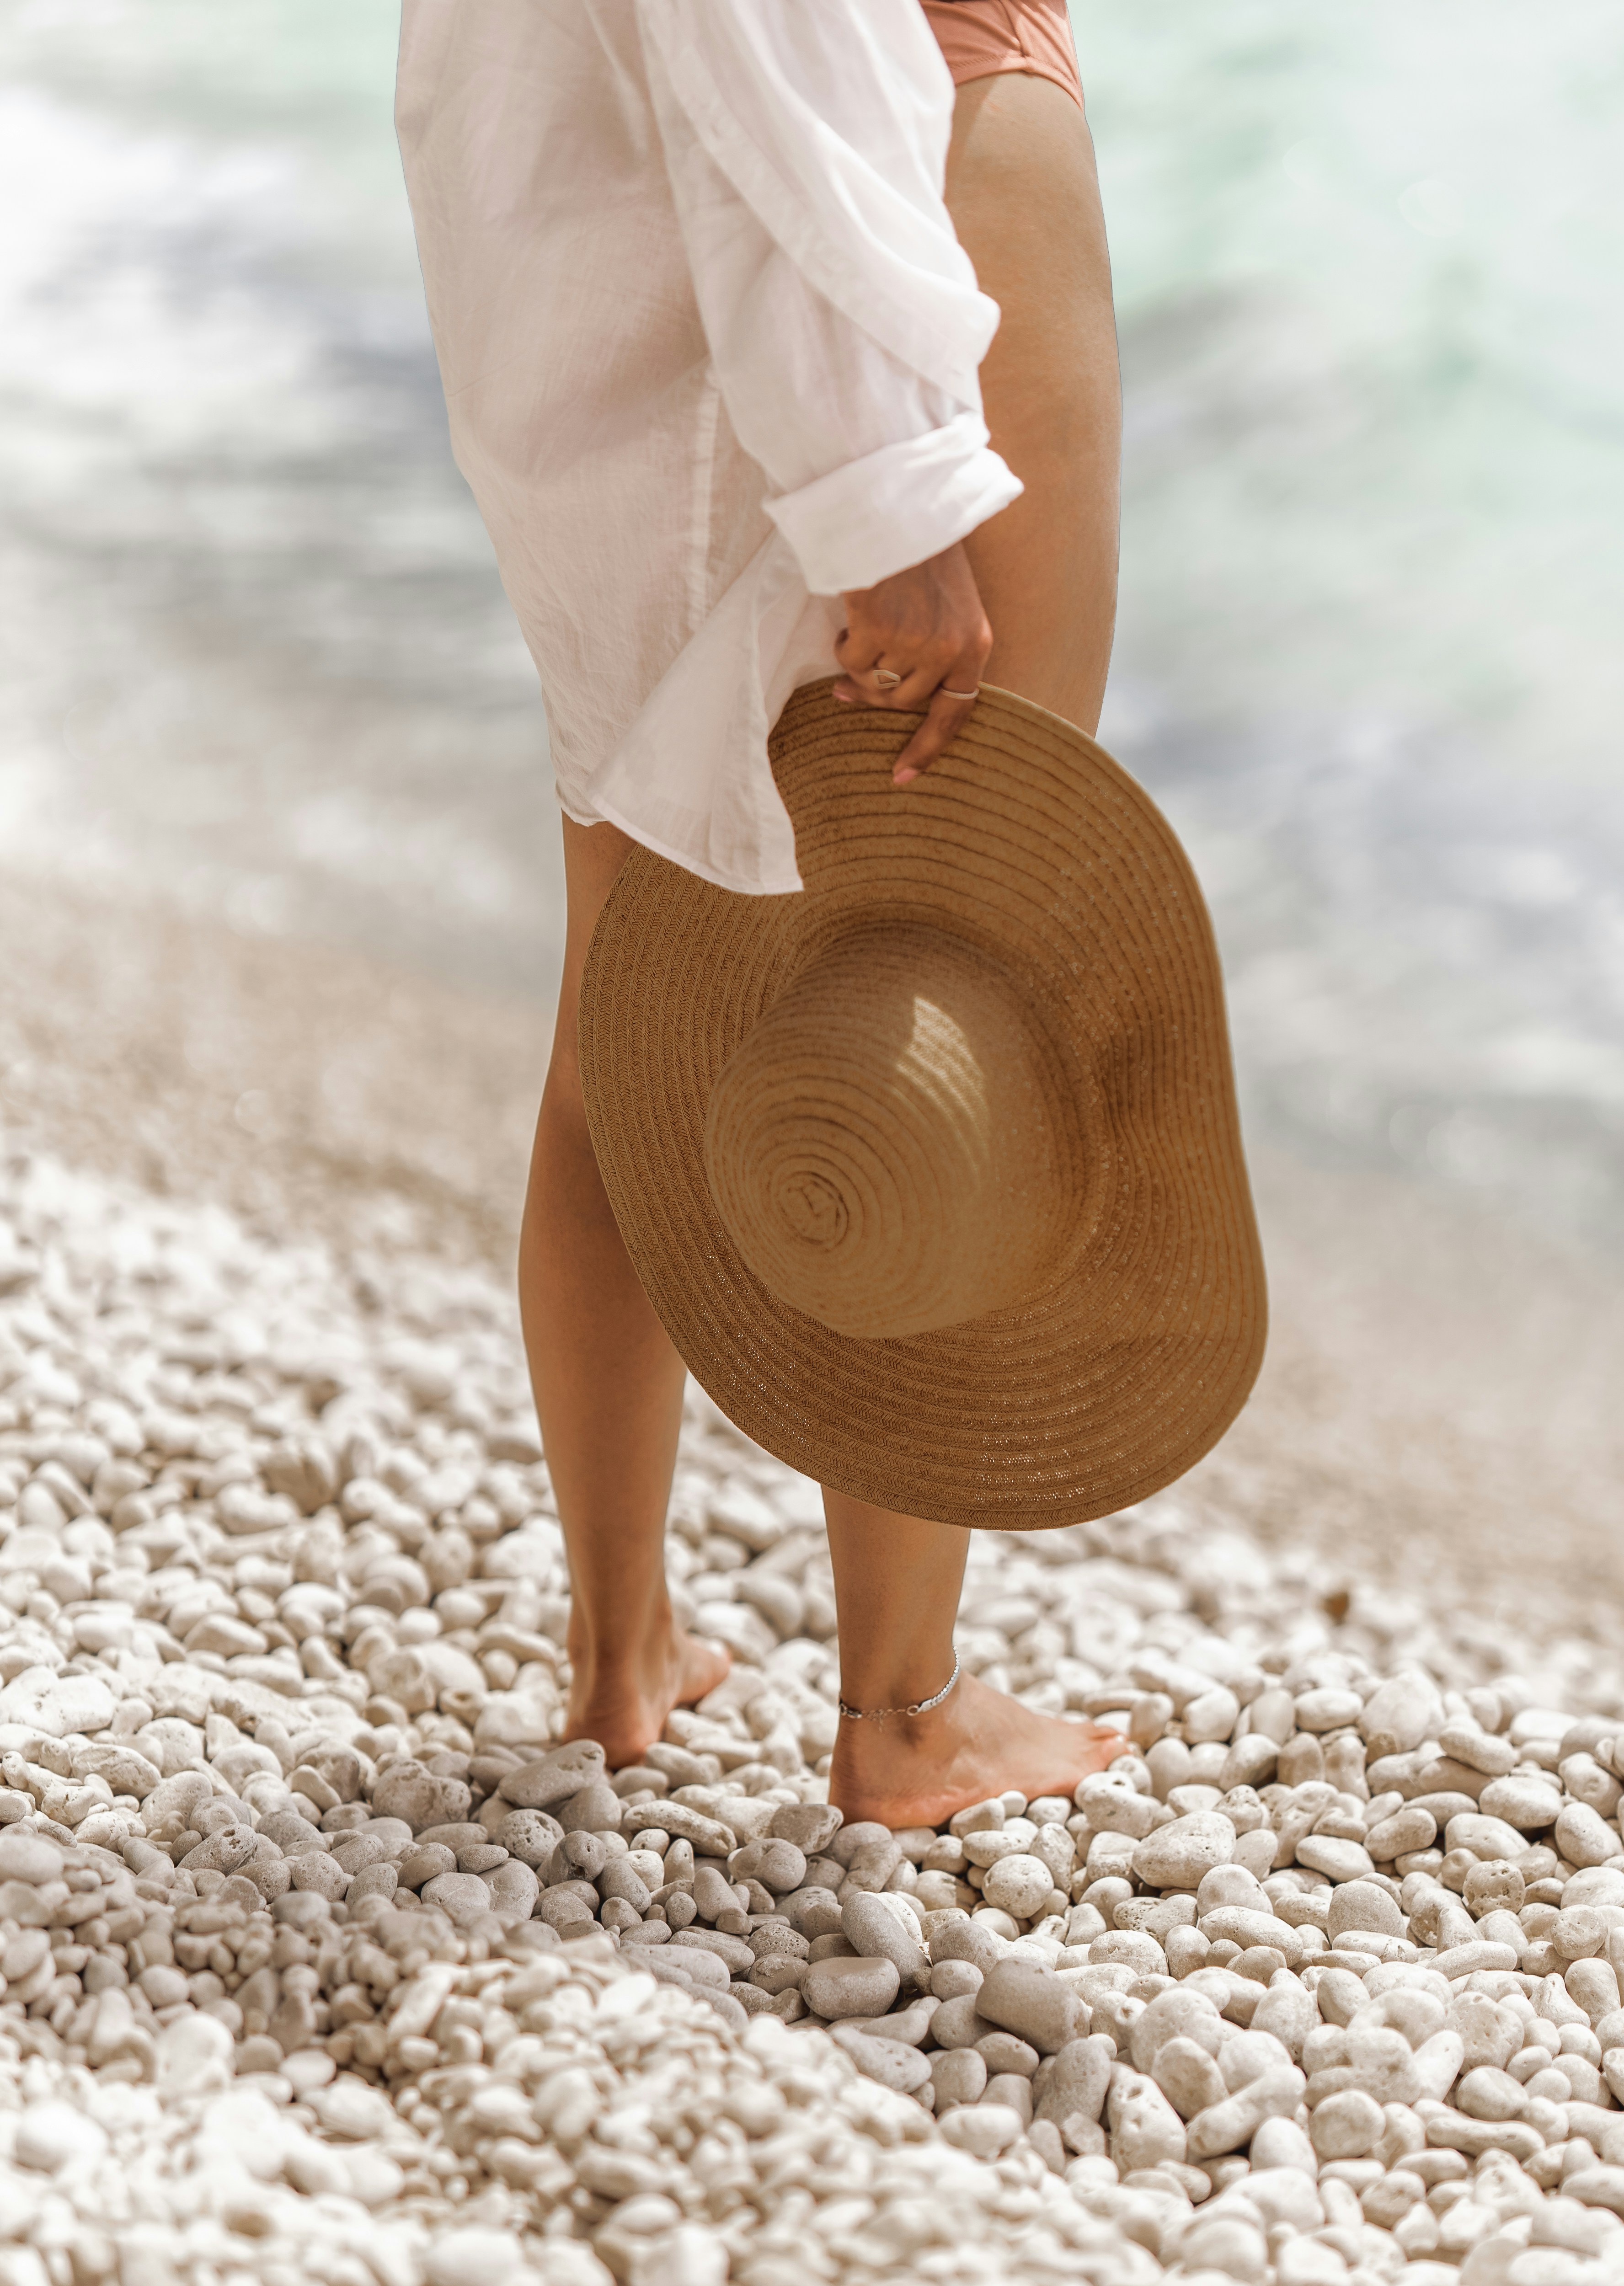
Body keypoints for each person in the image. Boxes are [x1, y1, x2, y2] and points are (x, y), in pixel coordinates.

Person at [396, 0, 1126, 1823]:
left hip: (616, 289)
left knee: (620, 1013)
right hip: (881, 215)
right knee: (953, 996)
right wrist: (881, 494)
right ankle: (906, 1717)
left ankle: (619, 1645)